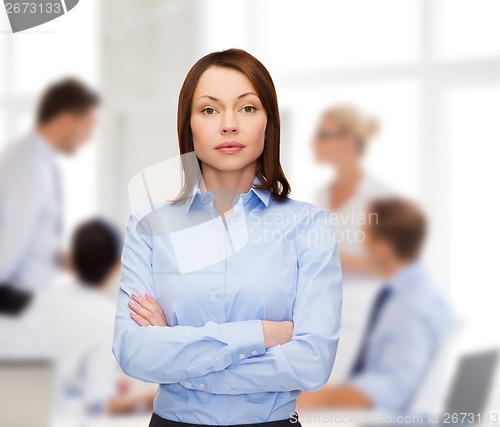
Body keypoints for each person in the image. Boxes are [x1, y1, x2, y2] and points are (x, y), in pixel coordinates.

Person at [112, 49, 343, 427]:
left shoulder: (308, 225)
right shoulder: (148, 227)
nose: (229, 125)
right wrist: (263, 334)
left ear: (269, 122)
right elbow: (133, 352)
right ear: (188, 126)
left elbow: (313, 363)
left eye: (248, 108)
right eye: (209, 110)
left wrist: (179, 353)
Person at [297, 198, 456, 414]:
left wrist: (315, 399)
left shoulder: (409, 305)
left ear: (383, 248)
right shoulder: (419, 293)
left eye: (366, 235)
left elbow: (393, 386)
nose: (362, 243)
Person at [0, 218, 155, 415]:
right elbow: (98, 406)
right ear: (117, 265)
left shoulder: (38, 300)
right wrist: (150, 400)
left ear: (69, 260)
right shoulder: (106, 319)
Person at [0, 77, 100, 315]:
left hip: (26, 300)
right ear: (65, 121)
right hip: (17, 305)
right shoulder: (30, 168)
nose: (88, 138)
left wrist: (57, 258)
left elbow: (26, 234)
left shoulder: (34, 161)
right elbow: (10, 242)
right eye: (87, 125)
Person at [312, 105, 392, 277]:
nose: (314, 143)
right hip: (331, 300)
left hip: (370, 300)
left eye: (323, 136)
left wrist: (329, 256)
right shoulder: (322, 195)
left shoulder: (379, 197)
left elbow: (390, 267)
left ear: (348, 142)